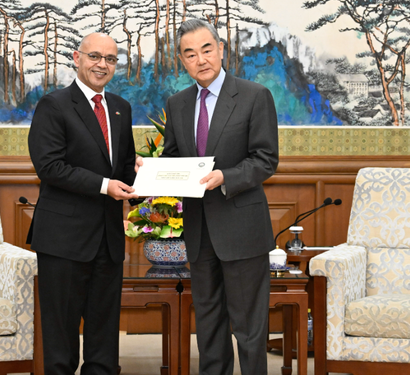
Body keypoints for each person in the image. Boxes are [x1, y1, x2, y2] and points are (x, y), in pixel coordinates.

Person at [142, 19, 279, 374]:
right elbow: (174, 158)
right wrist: (150, 169)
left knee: (249, 330)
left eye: (206, 49)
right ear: (182, 61)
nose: (200, 59)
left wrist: (224, 177)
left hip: (243, 229)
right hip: (200, 230)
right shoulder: (178, 103)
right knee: (209, 325)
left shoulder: (254, 96)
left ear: (221, 49)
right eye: (190, 54)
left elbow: (265, 160)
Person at [27, 32, 138, 375]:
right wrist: (106, 185)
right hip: (63, 239)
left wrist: (142, 174)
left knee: (104, 338)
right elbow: (49, 167)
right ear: (77, 58)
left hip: (107, 239)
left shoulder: (120, 108)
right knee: (60, 337)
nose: (102, 65)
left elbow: (122, 169)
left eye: (110, 59)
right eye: (94, 57)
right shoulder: (54, 105)